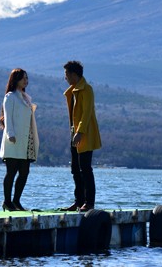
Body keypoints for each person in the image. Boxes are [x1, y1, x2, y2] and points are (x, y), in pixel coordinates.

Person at [61, 60, 102, 212]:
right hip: (74, 133)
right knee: (75, 169)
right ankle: (78, 201)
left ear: (74, 74)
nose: (65, 78)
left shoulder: (87, 90)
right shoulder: (73, 90)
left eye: (66, 74)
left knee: (85, 168)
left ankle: (89, 202)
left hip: (84, 134)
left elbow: (86, 113)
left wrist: (80, 132)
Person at [0, 68, 39, 212]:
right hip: (13, 141)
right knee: (11, 172)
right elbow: (8, 116)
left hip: (25, 142)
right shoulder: (10, 97)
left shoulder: (26, 98)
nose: (26, 81)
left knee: (24, 172)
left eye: (27, 78)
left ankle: (16, 201)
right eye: (23, 78)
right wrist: (10, 134)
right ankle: (7, 202)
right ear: (15, 79)